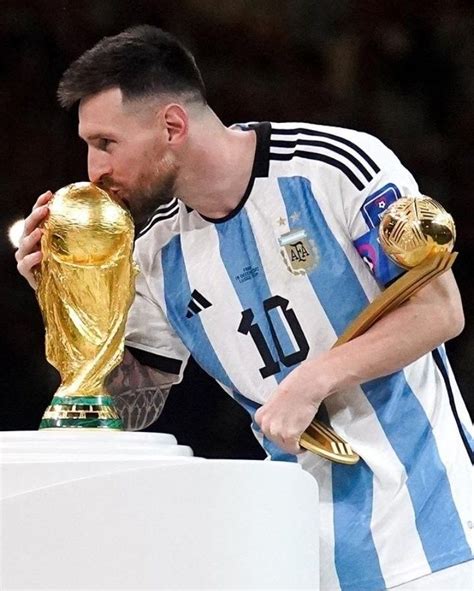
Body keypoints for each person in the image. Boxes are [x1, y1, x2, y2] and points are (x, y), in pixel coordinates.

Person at [16, 25, 473, 591]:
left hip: (433, 536)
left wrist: (313, 379)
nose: (93, 170)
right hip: (290, 550)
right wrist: (70, 305)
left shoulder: (333, 168)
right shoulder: (155, 253)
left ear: (172, 126)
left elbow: (439, 309)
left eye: (106, 143)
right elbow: (135, 403)